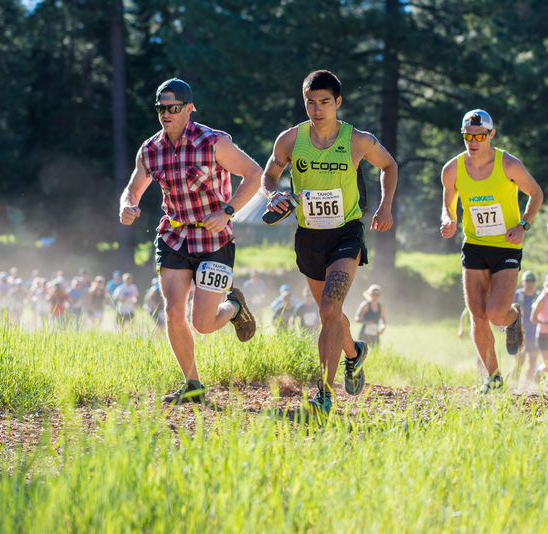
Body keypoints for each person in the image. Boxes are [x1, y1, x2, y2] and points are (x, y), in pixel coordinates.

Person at [262, 69, 397, 415]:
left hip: (346, 234)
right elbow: (270, 175)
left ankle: (323, 393)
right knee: (331, 314)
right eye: (311, 102)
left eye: (325, 102)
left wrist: (384, 207)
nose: (317, 109)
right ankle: (354, 353)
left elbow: (389, 166)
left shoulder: (358, 140)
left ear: (338, 102)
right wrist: (273, 195)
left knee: (327, 310)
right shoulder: (290, 140)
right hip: (309, 237)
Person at [119, 78, 261, 405]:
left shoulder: (212, 142)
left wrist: (228, 211)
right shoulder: (150, 150)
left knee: (203, 323)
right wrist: (127, 206)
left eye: (173, 108)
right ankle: (193, 383)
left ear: (189, 108)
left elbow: (253, 174)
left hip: (214, 238)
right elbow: (133, 189)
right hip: (174, 235)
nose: (166, 114)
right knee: (172, 311)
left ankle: (236, 306)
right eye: (161, 108)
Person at [440, 109, 544, 394]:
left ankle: (513, 318)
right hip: (474, 244)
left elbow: (536, 193)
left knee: (496, 313)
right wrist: (447, 220)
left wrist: (524, 224)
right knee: (477, 314)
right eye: (467, 136)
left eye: (479, 136)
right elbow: (448, 204)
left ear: (490, 135)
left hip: (506, 246)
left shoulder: (508, 164)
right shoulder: (452, 169)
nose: (473, 141)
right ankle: (494, 378)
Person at [512, 271, 540, 382]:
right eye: (527, 280)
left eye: (532, 280)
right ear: (523, 282)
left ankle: (526, 386)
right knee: (519, 361)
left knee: (533, 361)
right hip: (519, 333)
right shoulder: (517, 295)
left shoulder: (538, 296)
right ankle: (514, 384)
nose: (530, 283)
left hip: (534, 334)